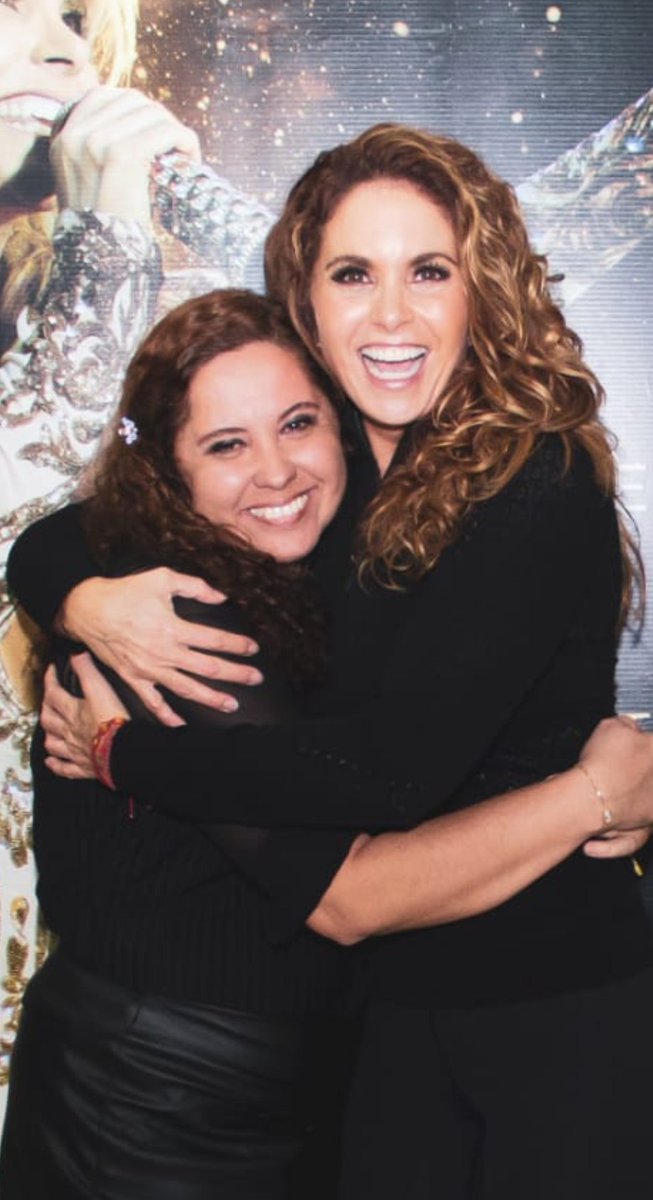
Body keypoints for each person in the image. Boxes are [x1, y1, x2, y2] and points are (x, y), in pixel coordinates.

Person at [9, 124, 653, 1198]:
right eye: (354, 273)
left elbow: (387, 773)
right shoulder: (342, 480)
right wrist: (81, 595)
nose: (393, 313)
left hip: (546, 1016)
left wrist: (125, 754)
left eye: (430, 271)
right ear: (307, 302)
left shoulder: (533, 480)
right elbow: (62, 536)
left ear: (481, 289)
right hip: (371, 1040)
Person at [0, 0, 274, 1089]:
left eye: (76, 15)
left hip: (67, 959)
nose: (62, 45)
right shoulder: (98, 273)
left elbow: (440, 315)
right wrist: (107, 251)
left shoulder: (103, 290)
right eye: (13, 6)